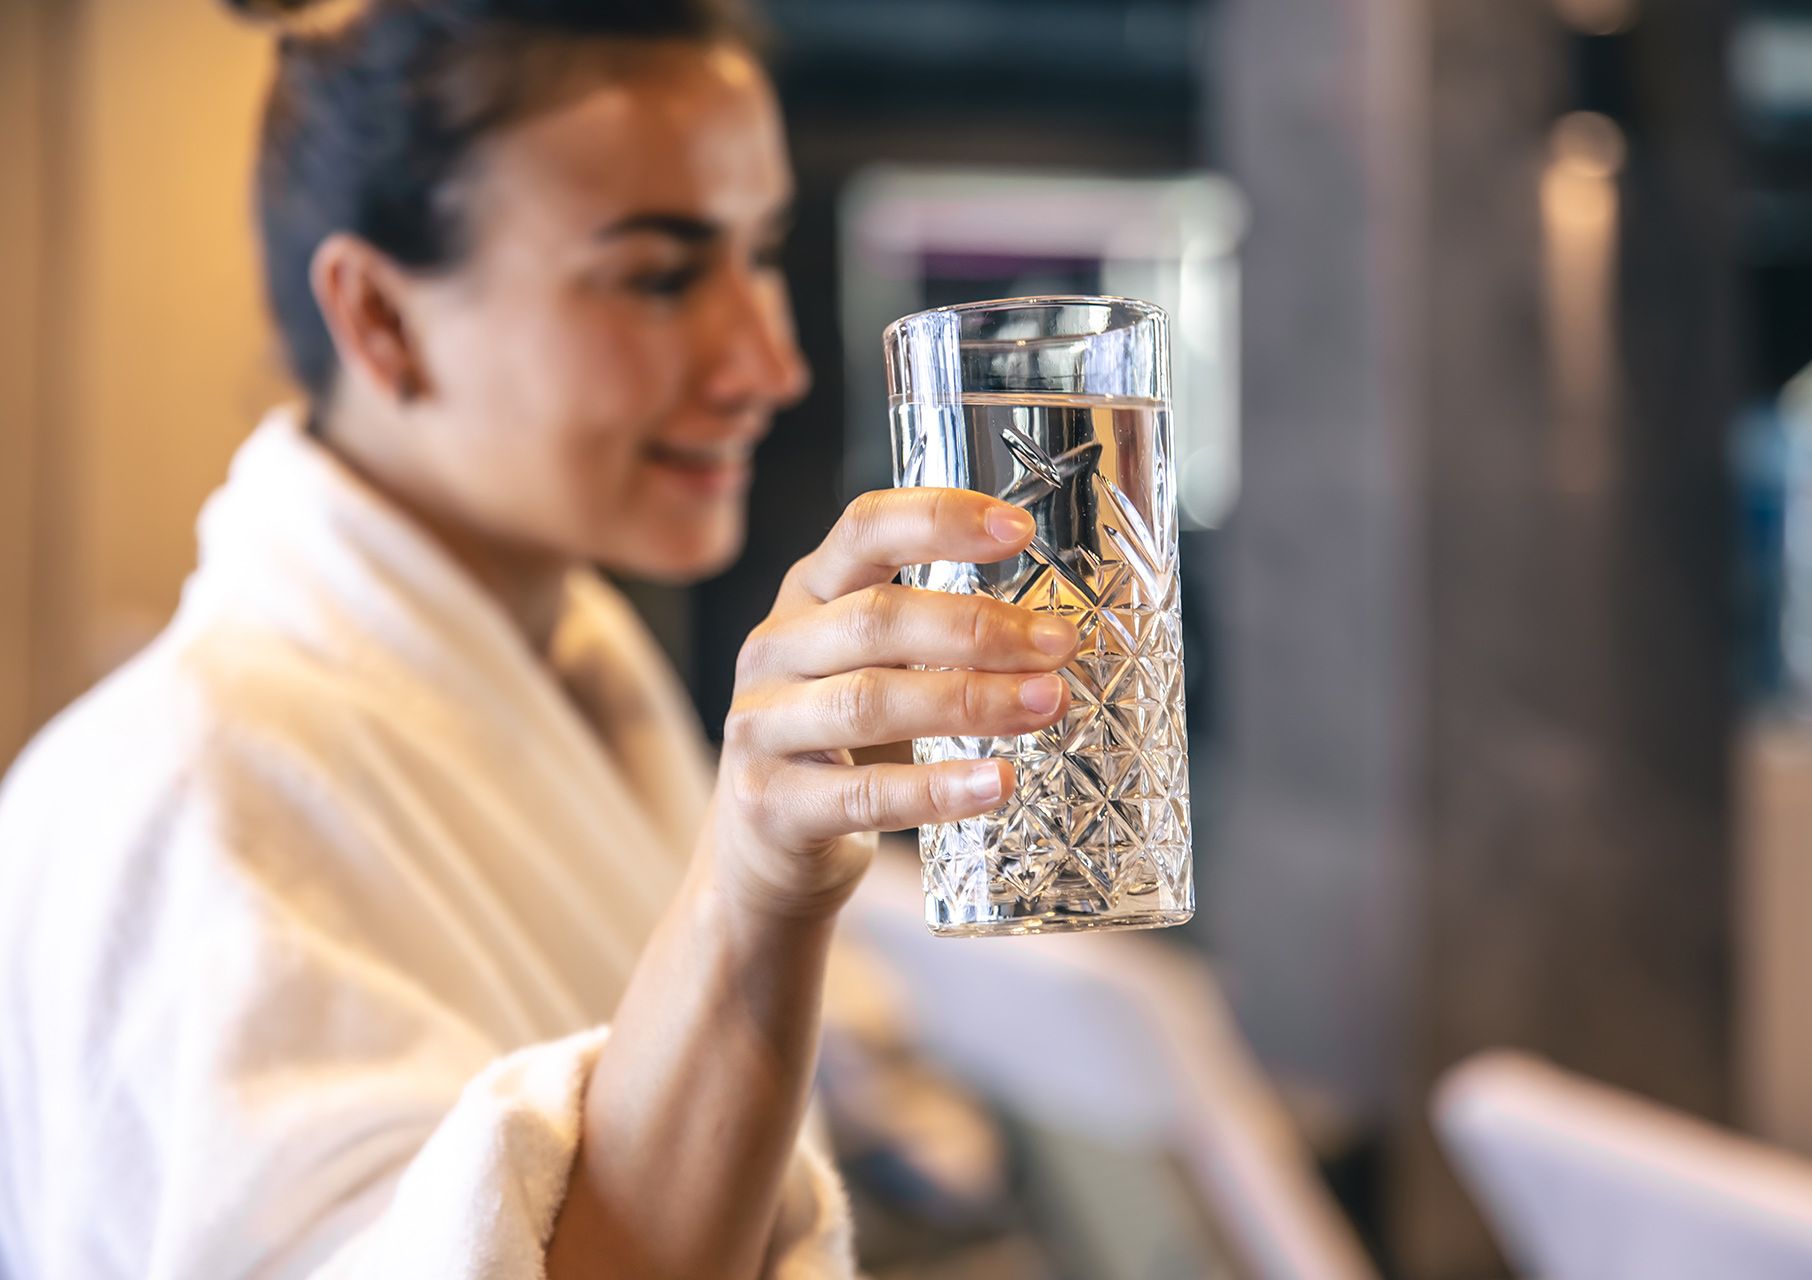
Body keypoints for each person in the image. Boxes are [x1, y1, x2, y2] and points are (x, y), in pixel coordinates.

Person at [0, 1, 1080, 1275]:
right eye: (662, 274)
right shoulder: (172, 797)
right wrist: (749, 898)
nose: (770, 364)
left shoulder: (577, 687)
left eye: (761, 256)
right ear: (380, 319)